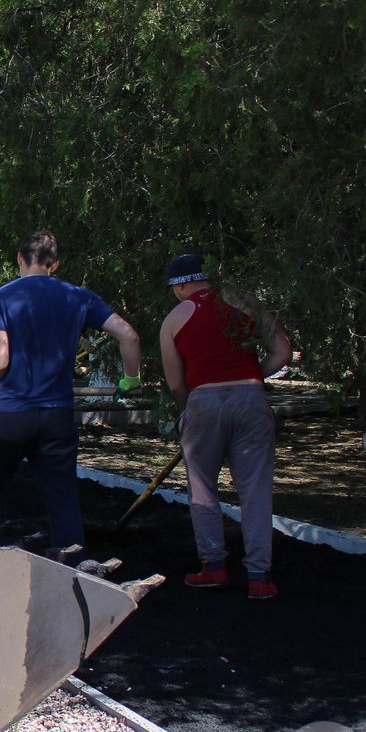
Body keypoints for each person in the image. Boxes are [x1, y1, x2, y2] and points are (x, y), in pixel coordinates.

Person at [0, 230, 141, 558]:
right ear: (54, 264)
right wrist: (131, 378)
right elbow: (128, 335)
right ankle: (73, 564)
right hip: (57, 416)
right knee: (62, 497)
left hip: (11, 416)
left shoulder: (0, 298)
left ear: (19, 258)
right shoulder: (78, 297)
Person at [159, 254, 291, 599]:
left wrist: (198, 403)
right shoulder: (245, 302)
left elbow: (175, 385)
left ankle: (214, 567)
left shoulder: (174, 319)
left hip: (203, 403)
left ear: (182, 284)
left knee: (202, 489)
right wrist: (250, 378)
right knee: (255, 490)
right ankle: (259, 577)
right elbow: (283, 351)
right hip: (251, 401)